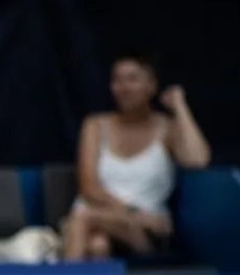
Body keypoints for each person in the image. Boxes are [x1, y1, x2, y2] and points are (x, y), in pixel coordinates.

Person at [61, 52, 211, 261]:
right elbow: (89, 189)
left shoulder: (167, 128)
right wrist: (136, 215)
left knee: (82, 218)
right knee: (97, 246)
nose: (123, 88)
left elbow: (197, 160)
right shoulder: (95, 125)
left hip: (144, 233)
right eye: (117, 80)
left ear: (151, 86)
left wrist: (179, 106)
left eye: (132, 79)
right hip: (122, 219)